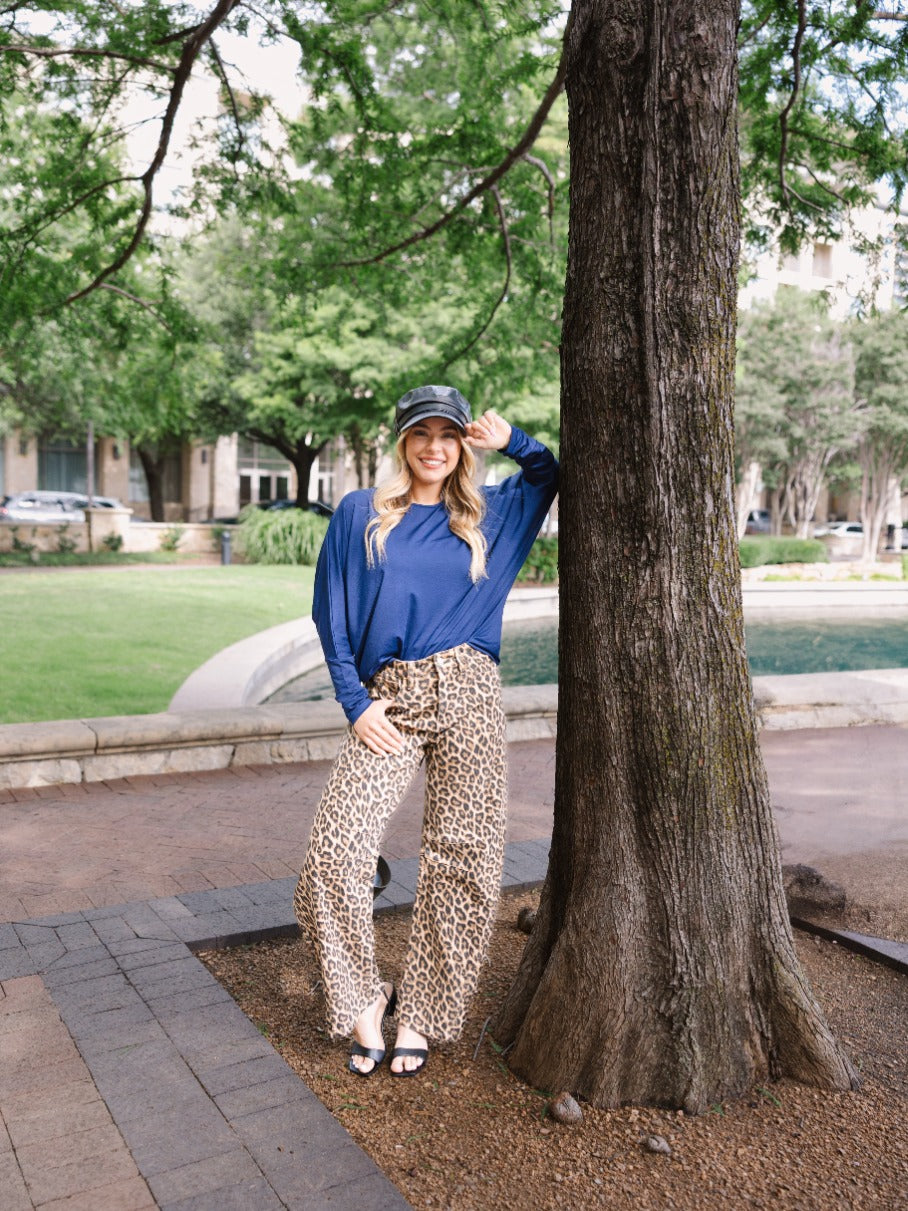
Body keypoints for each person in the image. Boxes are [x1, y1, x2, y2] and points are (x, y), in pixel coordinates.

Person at [294, 384, 558, 1077]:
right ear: (403, 441)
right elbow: (332, 614)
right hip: (390, 698)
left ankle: (424, 1012)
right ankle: (362, 1003)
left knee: (463, 858)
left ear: (462, 441)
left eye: (448, 433)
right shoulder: (361, 513)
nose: (434, 446)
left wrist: (514, 441)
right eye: (421, 433)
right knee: (334, 851)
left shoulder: (491, 513)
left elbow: (549, 473)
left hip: (469, 689)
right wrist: (355, 702)